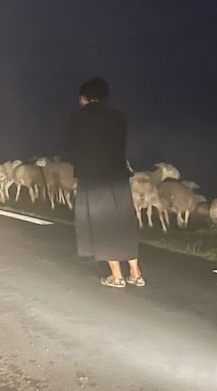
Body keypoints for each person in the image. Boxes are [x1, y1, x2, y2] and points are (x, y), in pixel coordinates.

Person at [67, 76, 144, 288]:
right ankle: (136, 273)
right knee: (123, 222)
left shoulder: (78, 119)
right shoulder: (118, 118)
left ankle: (116, 276)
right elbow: (122, 144)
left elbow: (72, 148)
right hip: (118, 177)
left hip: (94, 179)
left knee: (103, 224)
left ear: (84, 98)